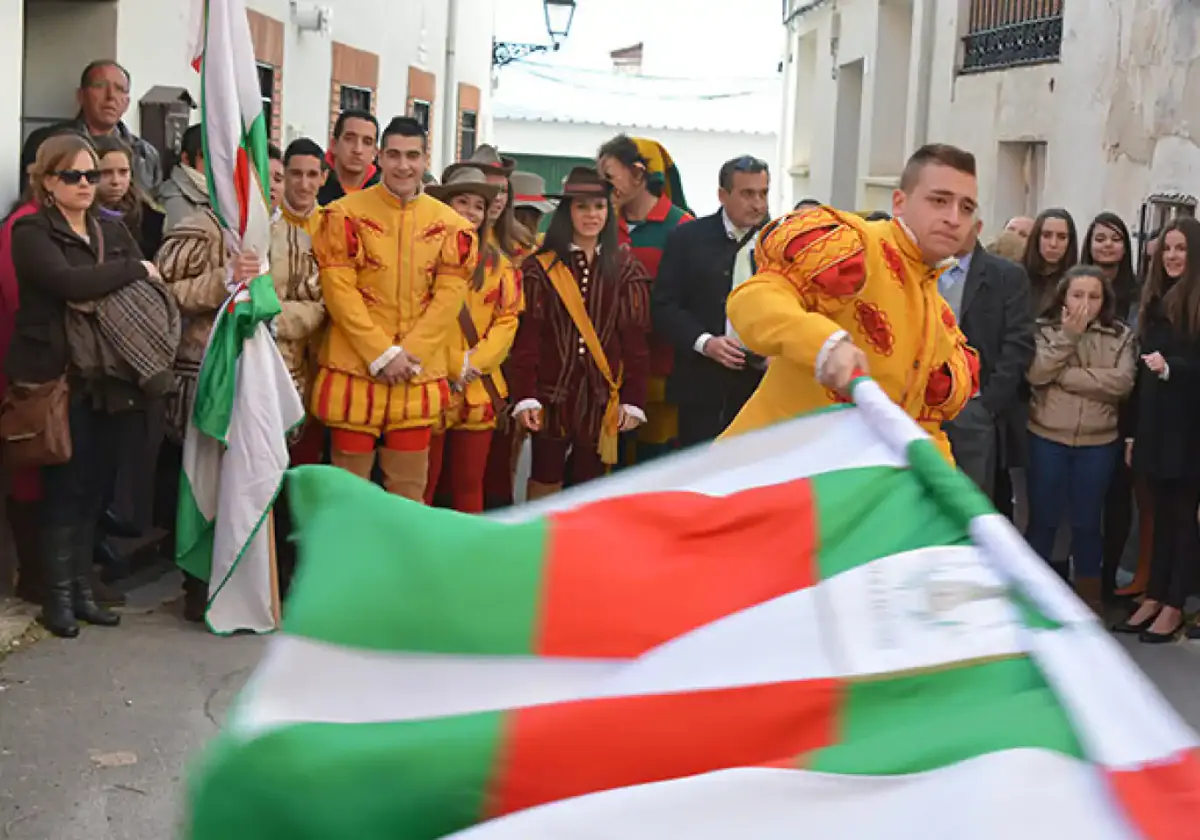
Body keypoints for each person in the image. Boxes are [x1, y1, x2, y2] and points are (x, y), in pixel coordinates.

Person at [719, 144, 981, 459]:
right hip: (772, 471)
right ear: (900, 202)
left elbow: (922, 429)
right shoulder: (852, 246)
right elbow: (753, 300)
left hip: (846, 492)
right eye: (939, 201)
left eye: (966, 208)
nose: (954, 218)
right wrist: (823, 344)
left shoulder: (939, 318)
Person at [8, 134, 162, 638]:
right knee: (64, 490)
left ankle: (80, 590)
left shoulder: (107, 228)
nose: (84, 185)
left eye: (90, 176)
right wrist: (128, 269)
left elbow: (143, 284)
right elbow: (68, 283)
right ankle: (57, 600)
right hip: (57, 376)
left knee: (94, 487)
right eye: (71, 176)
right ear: (47, 181)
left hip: (108, 376)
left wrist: (124, 271)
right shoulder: (31, 231)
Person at [310, 116, 477, 501]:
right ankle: (349, 563)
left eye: (413, 156)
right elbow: (339, 290)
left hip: (415, 375)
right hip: (355, 367)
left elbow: (448, 299)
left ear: (424, 160)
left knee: (408, 494)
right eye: (395, 155)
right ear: (380, 158)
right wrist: (381, 353)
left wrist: (409, 354)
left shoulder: (452, 225)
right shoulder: (343, 214)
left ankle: (401, 564)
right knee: (346, 498)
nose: (404, 165)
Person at [508, 167, 652, 498]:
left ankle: (581, 549)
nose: (591, 215)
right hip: (551, 394)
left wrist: (633, 399)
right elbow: (528, 339)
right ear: (567, 212)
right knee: (545, 478)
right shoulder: (539, 267)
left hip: (602, 398)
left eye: (599, 207)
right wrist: (525, 394)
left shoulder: (626, 268)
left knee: (591, 484)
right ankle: (540, 545)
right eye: (582, 207)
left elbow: (634, 343)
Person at [1024, 265, 1135, 611]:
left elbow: (1122, 383)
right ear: (1063, 296)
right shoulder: (1044, 330)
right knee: (1044, 520)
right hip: (1047, 437)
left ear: (1105, 300)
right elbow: (1037, 373)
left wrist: (1065, 377)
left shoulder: (1120, 335)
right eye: (1077, 294)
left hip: (1098, 443)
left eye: (1094, 296)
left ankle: (1089, 600)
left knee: (1088, 522)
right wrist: (1069, 336)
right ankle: (1033, 598)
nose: (1085, 303)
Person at [1113, 217, 1200, 643]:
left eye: (1181, 248)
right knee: (1159, 518)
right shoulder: (1154, 299)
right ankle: (1155, 594)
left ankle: (1174, 604)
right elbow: (1140, 377)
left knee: (1183, 519)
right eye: (1167, 248)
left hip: (1188, 431)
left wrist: (1172, 370)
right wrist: (1132, 434)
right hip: (1154, 426)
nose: (1172, 256)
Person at [652, 155, 771, 446]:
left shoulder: (779, 240)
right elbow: (663, 306)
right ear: (722, 195)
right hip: (702, 383)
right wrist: (705, 342)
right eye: (747, 194)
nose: (757, 204)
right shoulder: (687, 238)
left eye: (763, 193)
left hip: (762, 384)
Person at [423, 167, 522, 513]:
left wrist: (472, 364)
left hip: (478, 387)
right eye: (461, 201)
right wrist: (452, 365)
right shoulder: (421, 260)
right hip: (431, 381)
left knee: (469, 486)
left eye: (477, 205)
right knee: (425, 486)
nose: (469, 211)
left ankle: (468, 560)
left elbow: (507, 322)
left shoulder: (501, 267)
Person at [597, 134, 692, 463]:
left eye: (609, 178)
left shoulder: (683, 228)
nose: (603, 188)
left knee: (655, 463)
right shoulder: (601, 224)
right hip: (608, 376)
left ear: (638, 175)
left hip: (662, 374)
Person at [941, 218, 1035, 499]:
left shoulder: (1006, 276)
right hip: (920, 411)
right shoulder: (920, 269)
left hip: (973, 411)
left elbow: (1018, 343)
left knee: (970, 504)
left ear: (978, 227)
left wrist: (987, 404)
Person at [19, 60, 162, 195]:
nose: (111, 96)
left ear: (127, 102)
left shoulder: (145, 154)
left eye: (119, 89)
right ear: (81, 95)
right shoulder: (48, 143)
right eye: (100, 86)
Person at [155, 124, 210, 235]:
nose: (215, 165)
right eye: (207, 156)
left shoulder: (222, 195)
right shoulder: (174, 202)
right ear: (185, 158)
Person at [1023, 209, 1079, 317]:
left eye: (1062, 237)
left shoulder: (1077, 282)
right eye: (1046, 235)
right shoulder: (1016, 276)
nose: (1053, 244)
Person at [317, 110, 380, 205]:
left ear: (375, 152)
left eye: (367, 142)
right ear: (334, 144)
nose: (358, 150)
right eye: (349, 139)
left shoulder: (384, 194)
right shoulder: (312, 185)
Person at [280, 138, 325, 235]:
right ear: (283, 173)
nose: (304, 185)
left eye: (312, 175)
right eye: (296, 174)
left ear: (323, 177)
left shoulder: (332, 225)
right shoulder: (267, 221)